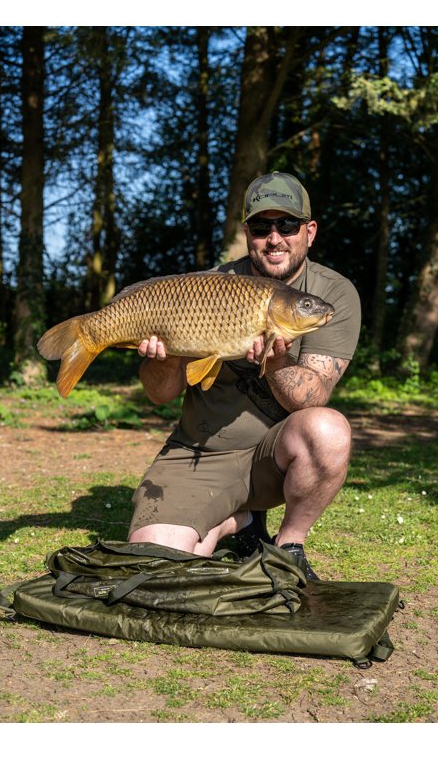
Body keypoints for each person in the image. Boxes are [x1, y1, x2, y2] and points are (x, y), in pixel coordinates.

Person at [127, 172, 361, 580]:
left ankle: (289, 545)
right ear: (247, 233)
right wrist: (164, 358)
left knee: (328, 429)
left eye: (287, 225)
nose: (274, 238)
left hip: (276, 458)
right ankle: (238, 522)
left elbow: (312, 398)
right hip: (200, 451)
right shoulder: (206, 289)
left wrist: (275, 362)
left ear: (309, 231)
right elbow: (159, 395)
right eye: (261, 227)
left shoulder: (331, 295)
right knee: (156, 563)